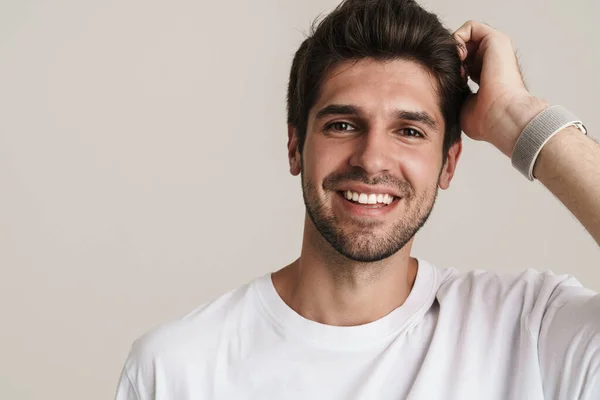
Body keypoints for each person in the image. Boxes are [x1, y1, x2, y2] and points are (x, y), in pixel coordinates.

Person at [115, 0, 600, 399]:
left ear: (448, 163)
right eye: (342, 125)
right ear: (294, 147)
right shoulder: (176, 369)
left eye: (409, 131)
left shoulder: (533, 332)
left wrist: (515, 117)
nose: (372, 159)